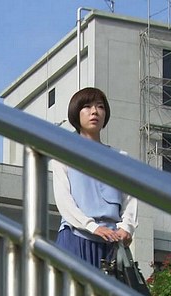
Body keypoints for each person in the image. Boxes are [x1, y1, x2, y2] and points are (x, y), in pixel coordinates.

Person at [51, 87, 138, 269]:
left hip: (112, 242)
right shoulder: (64, 154)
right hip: (76, 237)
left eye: (100, 107)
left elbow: (130, 199)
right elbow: (64, 202)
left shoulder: (120, 158)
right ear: (76, 112)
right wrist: (92, 227)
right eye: (87, 107)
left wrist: (127, 227)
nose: (94, 112)